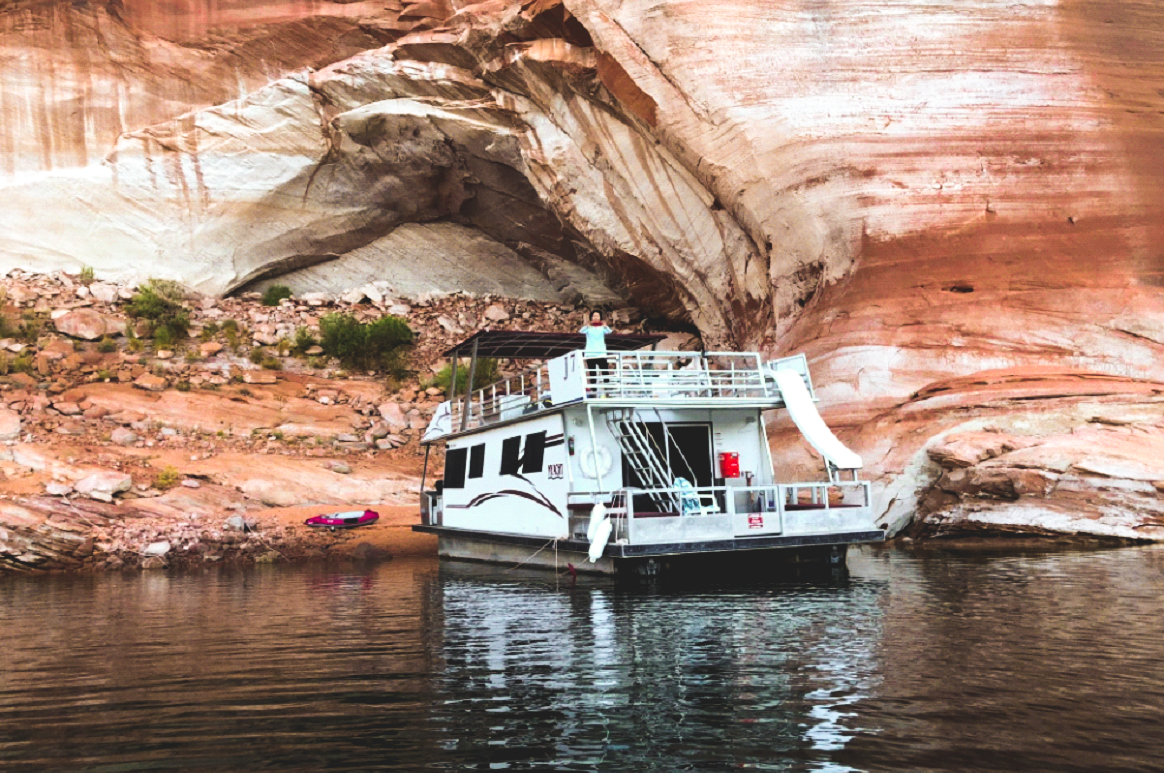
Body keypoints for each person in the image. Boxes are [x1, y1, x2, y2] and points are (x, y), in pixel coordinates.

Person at [580, 310, 612, 396]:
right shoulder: (588, 328)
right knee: (592, 374)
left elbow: (609, 332)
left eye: (597, 316)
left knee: (605, 372)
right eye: (594, 316)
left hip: (601, 353)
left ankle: (607, 391)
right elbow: (581, 332)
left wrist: (605, 326)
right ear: (591, 317)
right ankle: (593, 392)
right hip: (590, 354)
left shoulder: (603, 328)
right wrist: (587, 325)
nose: (595, 317)